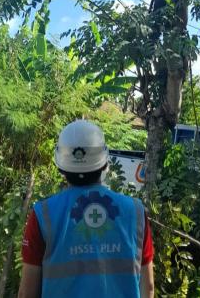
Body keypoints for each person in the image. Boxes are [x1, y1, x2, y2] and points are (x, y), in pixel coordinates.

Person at [18, 120, 155, 298]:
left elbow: (26, 294)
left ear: (61, 167)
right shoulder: (135, 213)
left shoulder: (43, 215)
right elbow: (149, 287)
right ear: (105, 164)